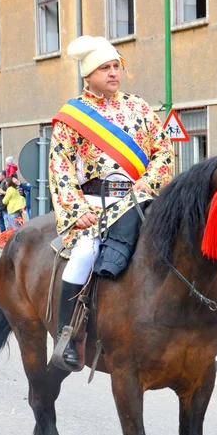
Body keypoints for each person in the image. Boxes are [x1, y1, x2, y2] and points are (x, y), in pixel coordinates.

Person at [49, 35, 174, 367]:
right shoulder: (73, 116)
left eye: (116, 66)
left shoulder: (140, 108)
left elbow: (164, 152)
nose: (113, 73)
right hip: (94, 204)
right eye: (104, 68)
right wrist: (77, 210)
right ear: (88, 75)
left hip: (141, 199)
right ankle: (68, 337)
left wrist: (147, 185)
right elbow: (60, 166)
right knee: (83, 256)